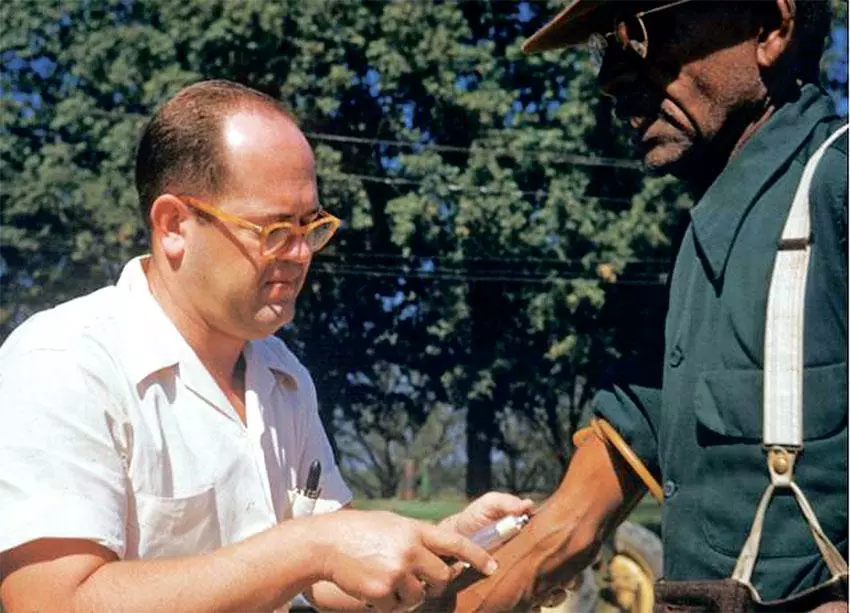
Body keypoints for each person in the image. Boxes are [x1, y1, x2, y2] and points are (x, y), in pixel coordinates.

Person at [0, 79, 534, 613]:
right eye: (274, 229)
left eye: (310, 225)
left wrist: (435, 545)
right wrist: (307, 548)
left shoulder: (282, 373)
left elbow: (328, 570)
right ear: (173, 226)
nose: (301, 253)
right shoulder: (65, 363)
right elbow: (49, 602)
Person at [443, 0, 848, 611]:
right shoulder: (692, 260)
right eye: (601, 47)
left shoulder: (836, 192)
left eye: (637, 31)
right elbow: (568, 528)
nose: (611, 76)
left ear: (769, 26)